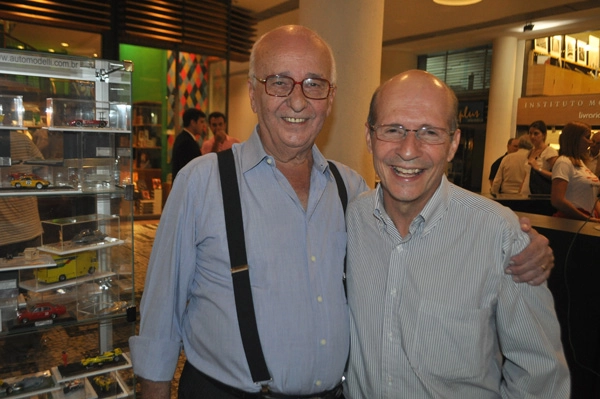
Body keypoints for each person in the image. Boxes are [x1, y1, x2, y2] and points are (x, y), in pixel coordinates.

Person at [130, 25, 554, 399]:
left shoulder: (350, 190)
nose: (297, 100)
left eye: (314, 84)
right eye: (279, 82)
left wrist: (522, 241)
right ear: (254, 94)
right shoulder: (200, 182)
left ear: (330, 98)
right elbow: (160, 316)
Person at [345, 70, 570, 399]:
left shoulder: (499, 235)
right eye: (393, 129)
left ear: (453, 144)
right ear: (369, 137)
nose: (409, 150)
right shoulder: (350, 219)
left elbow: (540, 375)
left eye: (429, 132)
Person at [0, 130, 44, 258]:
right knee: (30, 276)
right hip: (29, 228)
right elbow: (43, 169)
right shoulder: (22, 139)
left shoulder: (22, 139)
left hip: (5, 235)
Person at [551, 121, 600, 222]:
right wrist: (586, 218)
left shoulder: (581, 163)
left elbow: (590, 196)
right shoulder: (563, 162)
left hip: (585, 222)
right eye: (587, 137)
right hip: (571, 224)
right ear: (575, 139)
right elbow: (557, 200)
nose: (590, 142)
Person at [170, 108, 206, 181]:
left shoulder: (182, 138)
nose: (203, 125)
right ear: (193, 122)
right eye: (201, 122)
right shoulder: (187, 142)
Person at [527, 120, 558, 195]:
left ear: (543, 135)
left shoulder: (549, 151)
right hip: (527, 191)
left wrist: (538, 168)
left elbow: (556, 175)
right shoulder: (531, 151)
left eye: (536, 133)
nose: (532, 136)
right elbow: (526, 175)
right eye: (530, 133)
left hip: (539, 193)